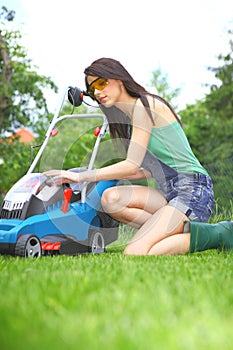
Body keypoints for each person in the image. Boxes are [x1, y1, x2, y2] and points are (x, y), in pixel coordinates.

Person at [44, 57, 233, 255]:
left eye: (101, 83)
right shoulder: (127, 120)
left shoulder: (144, 106)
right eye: (92, 90)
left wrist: (83, 176)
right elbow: (147, 171)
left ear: (118, 78)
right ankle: (170, 230)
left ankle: (220, 232)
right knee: (110, 199)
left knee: (137, 253)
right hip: (168, 192)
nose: (98, 92)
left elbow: (131, 165)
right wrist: (94, 176)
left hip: (192, 191)